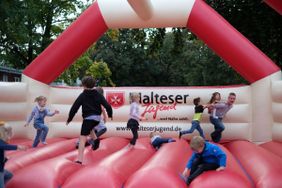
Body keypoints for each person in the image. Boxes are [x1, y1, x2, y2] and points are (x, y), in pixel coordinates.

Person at [66, 76, 113, 164]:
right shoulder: (98, 94)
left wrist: (70, 118)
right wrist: (110, 114)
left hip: (88, 118)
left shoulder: (83, 95)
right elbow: (107, 105)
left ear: (84, 85)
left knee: (82, 138)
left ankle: (79, 160)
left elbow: (74, 107)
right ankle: (96, 139)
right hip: (97, 119)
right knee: (90, 128)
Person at [0, 121, 27, 188]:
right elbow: (2, 146)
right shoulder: (1, 143)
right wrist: (17, 147)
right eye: (9, 134)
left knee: (9, 176)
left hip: (2, 169)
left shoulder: (3, 142)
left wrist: (6, 159)